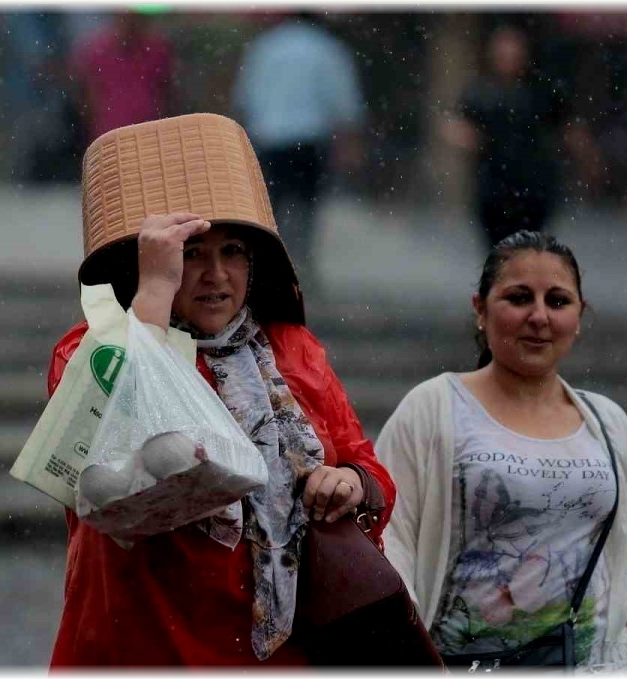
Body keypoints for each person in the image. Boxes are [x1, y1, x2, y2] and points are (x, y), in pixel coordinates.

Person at [45, 114, 396, 666]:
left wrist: (348, 482)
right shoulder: (87, 350)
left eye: (233, 252)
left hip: (276, 651)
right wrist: (156, 289)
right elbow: (110, 440)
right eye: (191, 254)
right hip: (143, 640)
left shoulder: (291, 350)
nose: (216, 275)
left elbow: (367, 467)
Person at [376, 230, 627, 670]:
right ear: (480, 310)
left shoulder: (609, 424)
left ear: (580, 316)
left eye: (558, 301)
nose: (539, 316)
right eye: (519, 298)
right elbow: (390, 549)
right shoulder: (432, 409)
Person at [231, 12, 366, 288]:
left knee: (271, 206)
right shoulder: (327, 47)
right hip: (309, 138)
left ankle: (268, 266)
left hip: (269, 137)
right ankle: (302, 266)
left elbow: (245, 96)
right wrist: (349, 142)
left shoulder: (266, 46)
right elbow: (344, 100)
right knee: (306, 205)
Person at [441, 25, 561, 248]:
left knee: (526, 251)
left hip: (532, 188)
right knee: (498, 253)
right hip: (493, 187)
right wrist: (464, 136)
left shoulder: (538, 91)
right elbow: (454, 124)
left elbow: (565, 125)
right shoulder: (480, 92)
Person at [69, 11, 176, 143]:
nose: (129, 22)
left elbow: (165, 94)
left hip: (149, 136)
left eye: (134, 17)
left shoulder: (157, 49)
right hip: (109, 138)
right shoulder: (96, 52)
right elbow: (88, 98)